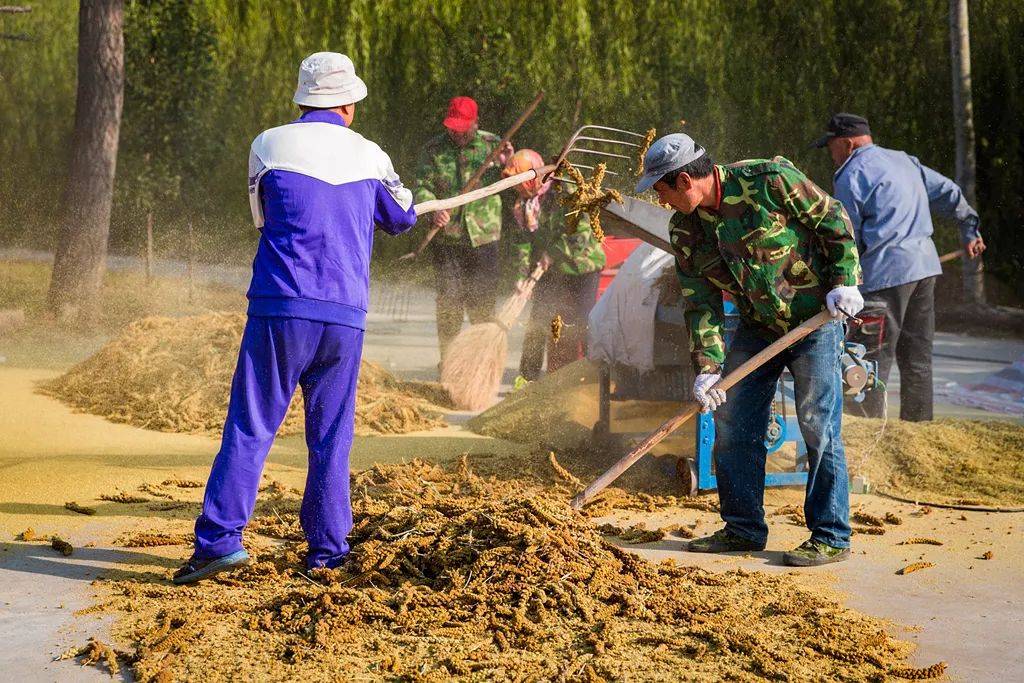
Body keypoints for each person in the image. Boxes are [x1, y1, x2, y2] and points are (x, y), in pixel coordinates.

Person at [174, 52, 417, 584]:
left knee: (252, 424)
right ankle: (327, 551)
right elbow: (401, 218)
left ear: (303, 99)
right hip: (344, 317)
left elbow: (263, 219)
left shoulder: (268, 145)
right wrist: (404, 201)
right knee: (331, 435)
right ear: (349, 104)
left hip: (280, 307)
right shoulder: (372, 156)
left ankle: (218, 542)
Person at [636, 133, 864, 566]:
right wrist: (707, 366)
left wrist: (844, 280)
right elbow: (699, 302)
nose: (661, 200)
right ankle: (743, 527)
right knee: (733, 419)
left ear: (685, 180)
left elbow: (832, 220)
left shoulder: (769, 180)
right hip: (758, 326)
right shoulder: (685, 229)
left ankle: (831, 535)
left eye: (662, 189)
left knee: (817, 423)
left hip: (814, 320)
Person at [813, 113, 985, 422]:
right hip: (924, 270)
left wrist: (834, 281)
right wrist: (970, 229)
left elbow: (846, 238)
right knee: (918, 358)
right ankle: (919, 429)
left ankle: (864, 434)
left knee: (866, 360)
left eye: (832, 148)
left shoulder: (850, 174)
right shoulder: (905, 161)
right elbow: (949, 192)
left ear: (847, 143)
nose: (832, 156)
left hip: (883, 277)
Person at [413, 96, 513, 362]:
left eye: (463, 128)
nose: (457, 133)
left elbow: (516, 181)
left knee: (483, 307)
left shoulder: (495, 146)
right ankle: (448, 363)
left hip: (484, 239)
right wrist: (433, 207)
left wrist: (508, 165)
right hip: (448, 241)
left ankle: (480, 366)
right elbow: (421, 186)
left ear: (475, 123)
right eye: (452, 127)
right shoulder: (433, 149)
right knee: (449, 306)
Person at [506, 150, 607, 379]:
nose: (518, 190)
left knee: (583, 322)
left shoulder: (566, 190)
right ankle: (527, 377)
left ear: (533, 178)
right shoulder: (524, 206)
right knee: (538, 321)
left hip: (581, 265)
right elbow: (522, 242)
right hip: (551, 270)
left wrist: (552, 253)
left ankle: (595, 377)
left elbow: (579, 232)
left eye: (521, 183)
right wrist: (521, 277)